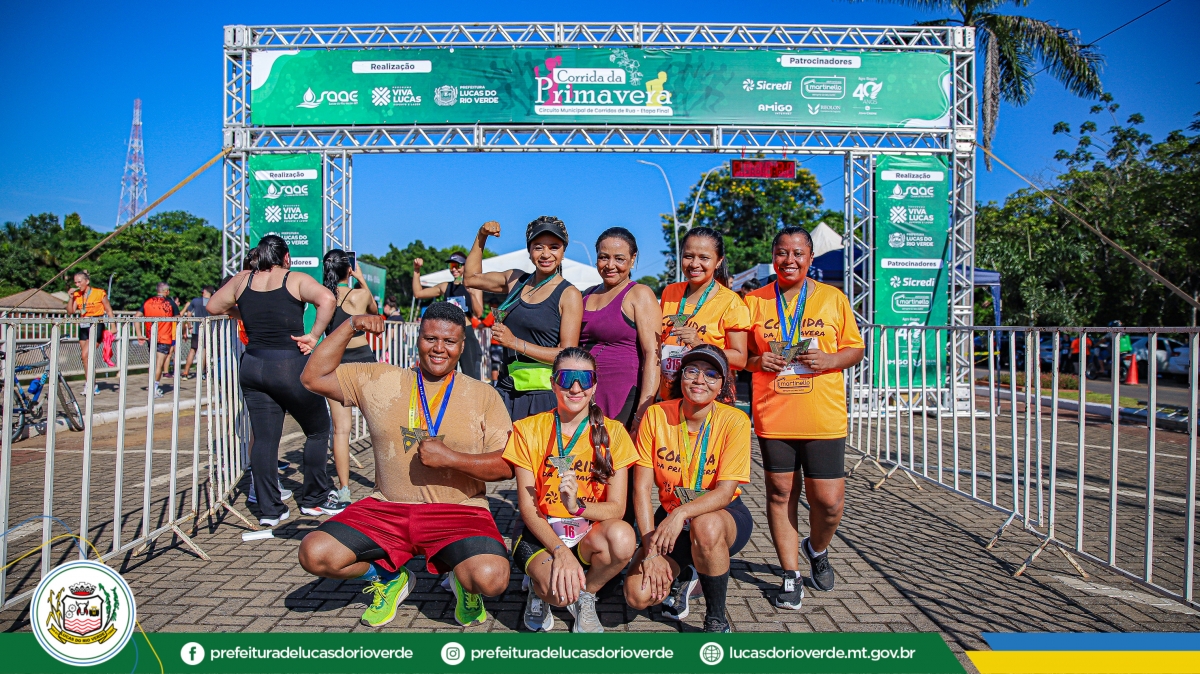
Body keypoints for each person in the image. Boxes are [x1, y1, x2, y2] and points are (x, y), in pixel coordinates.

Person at [298, 303, 514, 628]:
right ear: (418, 339)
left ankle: (464, 582)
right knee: (314, 553)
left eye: (449, 341)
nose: (439, 348)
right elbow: (312, 378)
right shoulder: (379, 378)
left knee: (490, 578)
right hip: (386, 508)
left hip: (459, 511)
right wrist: (350, 324)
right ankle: (388, 578)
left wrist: (452, 459)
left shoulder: (483, 395)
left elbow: (506, 465)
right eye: (430, 339)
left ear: (462, 345)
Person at [744, 226, 865, 609]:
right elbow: (741, 356)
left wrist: (830, 359)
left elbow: (855, 349)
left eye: (798, 253)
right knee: (781, 494)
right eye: (782, 252)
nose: (790, 260)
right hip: (774, 415)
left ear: (810, 258)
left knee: (828, 502)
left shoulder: (833, 298)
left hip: (823, 416)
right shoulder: (754, 301)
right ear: (773, 257)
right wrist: (757, 361)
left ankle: (817, 548)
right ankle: (790, 574)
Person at [503, 347, 638, 633]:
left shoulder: (614, 433)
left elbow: (617, 509)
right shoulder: (527, 429)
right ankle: (539, 588)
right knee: (558, 594)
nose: (575, 388)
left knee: (623, 537)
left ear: (595, 385)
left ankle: (586, 594)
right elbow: (528, 508)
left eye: (584, 379)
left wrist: (577, 507)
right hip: (542, 533)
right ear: (553, 383)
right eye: (566, 378)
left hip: (587, 533)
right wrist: (559, 551)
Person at [206, 235, 337, 526]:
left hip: (253, 365)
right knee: (318, 429)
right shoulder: (294, 278)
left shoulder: (242, 280)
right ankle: (314, 499)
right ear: (285, 256)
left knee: (264, 439)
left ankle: (269, 510)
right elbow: (327, 299)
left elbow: (213, 306)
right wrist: (313, 336)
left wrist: (244, 312)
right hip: (288, 364)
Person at [624, 345, 753, 633]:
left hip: (720, 515)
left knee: (705, 526)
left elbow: (724, 492)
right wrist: (651, 552)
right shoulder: (656, 415)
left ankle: (716, 618)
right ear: (680, 376)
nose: (699, 380)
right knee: (637, 595)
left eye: (711, 374)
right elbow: (641, 490)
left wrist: (681, 513)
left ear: (722, 384)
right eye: (692, 371)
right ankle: (688, 568)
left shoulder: (735, 421)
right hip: (671, 516)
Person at [464, 217, 582, 420]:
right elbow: (470, 278)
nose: (546, 254)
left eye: (554, 247)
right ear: (529, 251)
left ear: (563, 251)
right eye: (538, 247)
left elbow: (567, 355)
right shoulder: (515, 281)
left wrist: (514, 343)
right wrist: (481, 236)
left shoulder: (569, 294)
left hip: (542, 396)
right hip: (506, 389)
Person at [579, 228, 661, 430]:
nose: (610, 265)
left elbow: (653, 355)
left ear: (633, 259)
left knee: (614, 449)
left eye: (619, 259)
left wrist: (642, 413)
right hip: (583, 393)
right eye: (603, 257)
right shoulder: (586, 295)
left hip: (622, 397)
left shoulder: (639, 294)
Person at [657, 227, 751, 401]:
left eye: (704, 258)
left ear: (718, 261)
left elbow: (740, 359)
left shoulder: (732, 302)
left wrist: (699, 344)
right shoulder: (669, 292)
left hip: (711, 402)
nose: (694, 264)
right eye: (688, 256)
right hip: (670, 398)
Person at [322, 250, 380, 510]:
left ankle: (344, 490)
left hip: (335, 364)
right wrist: (361, 279)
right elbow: (375, 311)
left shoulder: (323, 297)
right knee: (378, 426)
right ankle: (383, 484)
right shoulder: (359, 295)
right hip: (363, 363)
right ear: (349, 269)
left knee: (341, 430)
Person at [412, 252, 486, 380]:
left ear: (465, 266)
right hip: (447, 333)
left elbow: (479, 313)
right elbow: (418, 293)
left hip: (466, 332)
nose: (454, 269)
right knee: (446, 374)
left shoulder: (474, 286)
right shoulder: (446, 286)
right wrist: (417, 270)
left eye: (457, 266)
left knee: (470, 375)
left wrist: (472, 294)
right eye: (451, 266)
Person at [67, 270, 115, 392]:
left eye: (79, 282)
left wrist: (113, 325)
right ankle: (91, 383)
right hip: (83, 325)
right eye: (75, 283)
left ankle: (90, 385)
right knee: (86, 358)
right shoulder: (77, 295)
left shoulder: (99, 293)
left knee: (85, 354)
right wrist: (71, 298)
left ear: (87, 281)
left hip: (96, 324)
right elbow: (70, 312)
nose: (77, 285)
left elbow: (108, 309)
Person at [136, 282, 179, 399]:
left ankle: (152, 386)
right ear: (167, 291)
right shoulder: (170, 303)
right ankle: (154, 389)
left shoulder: (148, 302)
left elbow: (137, 316)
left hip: (151, 337)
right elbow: (178, 319)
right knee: (159, 364)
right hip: (165, 337)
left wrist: (139, 334)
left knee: (153, 363)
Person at [181, 285, 215, 380]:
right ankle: (202, 373)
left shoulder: (195, 301)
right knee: (204, 350)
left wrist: (189, 325)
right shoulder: (213, 301)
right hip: (208, 329)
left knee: (193, 350)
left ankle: (185, 372)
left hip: (196, 329)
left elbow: (188, 314)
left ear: (204, 291)